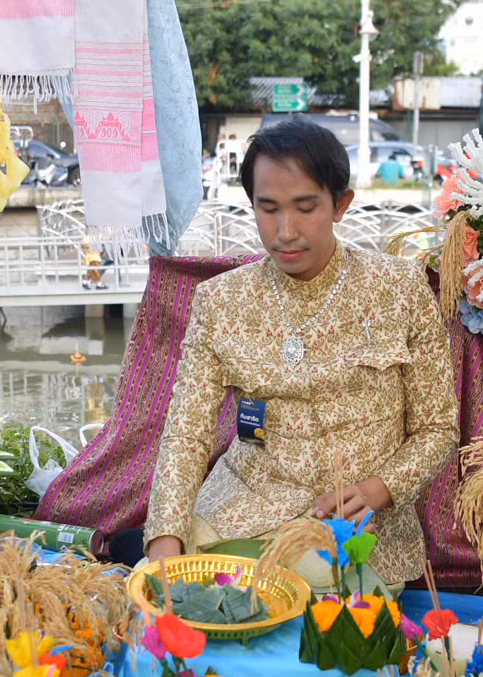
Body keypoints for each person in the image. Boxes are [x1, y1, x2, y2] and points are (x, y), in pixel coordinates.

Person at [139, 119, 459, 584]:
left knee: (315, 618)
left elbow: (437, 428)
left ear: (340, 204)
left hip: (354, 528)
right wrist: (165, 536)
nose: (285, 231)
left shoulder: (399, 289)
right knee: (179, 596)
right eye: (267, 209)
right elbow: (187, 433)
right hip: (240, 508)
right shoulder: (220, 301)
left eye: (305, 208)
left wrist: (378, 490)